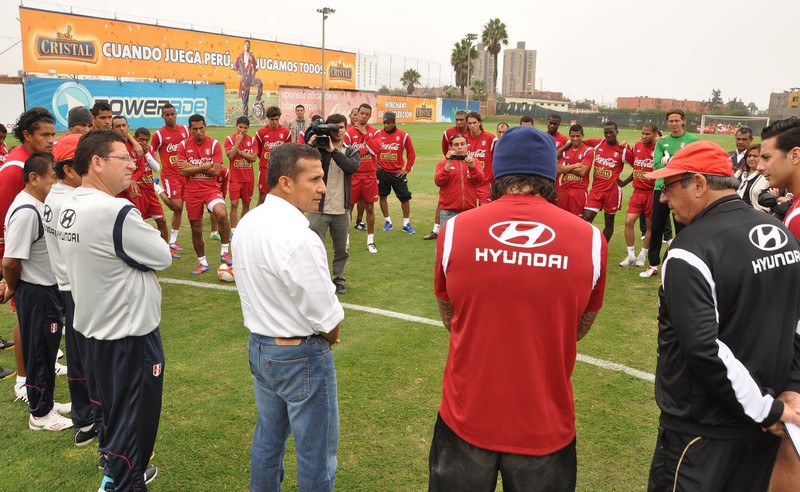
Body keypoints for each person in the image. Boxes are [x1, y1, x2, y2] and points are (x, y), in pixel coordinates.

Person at [429, 125, 607, 490]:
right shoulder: (590, 238)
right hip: (544, 424)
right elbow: (582, 323)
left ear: (496, 170)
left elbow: (450, 314)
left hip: (466, 416)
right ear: (550, 173)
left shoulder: (456, 230)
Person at [643, 140, 800, 491]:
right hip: (762, 430)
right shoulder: (782, 234)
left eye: (669, 187)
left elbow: (703, 346)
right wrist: (792, 387)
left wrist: (766, 409)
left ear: (699, 185)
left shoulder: (690, 248)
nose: (664, 198)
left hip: (703, 434)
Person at [60, 129, 169, 491]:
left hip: (95, 331)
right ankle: (122, 482)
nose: (133, 164)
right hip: (129, 336)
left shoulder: (69, 204)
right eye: (124, 158)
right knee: (133, 428)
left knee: (113, 416)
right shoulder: (115, 209)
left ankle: (114, 471)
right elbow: (162, 254)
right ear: (96, 162)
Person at [232, 143, 343, 492]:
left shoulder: (248, 222)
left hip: (261, 347)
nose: (322, 188)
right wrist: (330, 335)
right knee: (316, 453)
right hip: (299, 354)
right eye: (314, 179)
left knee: (269, 436)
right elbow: (327, 317)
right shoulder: (299, 237)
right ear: (285, 182)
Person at [2, 151, 71, 431]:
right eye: (53, 178)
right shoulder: (27, 211)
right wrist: (14, 287)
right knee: (40, 353)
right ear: (34, 178)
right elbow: (10, 260)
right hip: (37, 292)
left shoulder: (37, 204)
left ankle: (45, 401)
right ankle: (40, 415)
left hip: (44, 290)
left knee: (45, 349)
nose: (57, 183)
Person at [0, 107, 57, 403]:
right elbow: (7, 216)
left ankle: (41, 368)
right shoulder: (13, 169)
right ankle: (25, 381)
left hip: (30, 252)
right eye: (44, 135)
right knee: (27, 319)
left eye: (52, 134)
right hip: (19, 257)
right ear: (26, 135)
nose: (51, 140)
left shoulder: (37, 162)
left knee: (38, 322)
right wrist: (8, 273)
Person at [639, 109, 699, 277]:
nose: (673, 124)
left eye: (676, 120)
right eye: (670, 121)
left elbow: (693, 165)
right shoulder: (661, 142)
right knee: (656, 227)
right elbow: (657, 166)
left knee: (682, 228)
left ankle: (681, 264)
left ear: (683, 121)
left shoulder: (692, 140)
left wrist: (671, 162)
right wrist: (676, 164)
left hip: (682, 189)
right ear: (667, 122)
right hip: (661, 188)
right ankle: (653, 265)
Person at [307, 114, 360, 295]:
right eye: (335, 127)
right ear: (329, 128)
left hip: (341, 209)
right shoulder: (317, 149)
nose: (339, 130)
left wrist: (333, 150)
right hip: (318, 208)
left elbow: (351, 167)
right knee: (314, 249)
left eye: (342, 127)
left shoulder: (351, 151)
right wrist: (309, 146)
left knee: (341, 250)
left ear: (346, 129)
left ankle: (338, 281)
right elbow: (302, 165)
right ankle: (316, 282)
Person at [177, 114, 231, 274]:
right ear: (189, 129)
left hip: (210, 189)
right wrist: (205, 165)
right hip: (192, 192)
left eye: (201, 128)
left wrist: (192, 167)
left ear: (205, 126)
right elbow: (182, 171)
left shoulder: (214, 144)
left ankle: (224, 251)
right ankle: (202, 262)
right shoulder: (183, 145)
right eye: (195, 129)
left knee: (222, 213)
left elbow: (216, 170)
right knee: (196, 228)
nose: (199, 132)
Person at [112, 117, 171, 248]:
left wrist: (144, 153)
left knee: (161, 220)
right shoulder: (116, 147)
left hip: (149, 190)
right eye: (118, 126)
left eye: (124, 125)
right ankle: (138, 252)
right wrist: (130, 183)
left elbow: (147, 167)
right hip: (134, 191)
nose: (122, 128)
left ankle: (165, 249)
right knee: (137, 224)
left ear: (128, 127)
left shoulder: (140, 147)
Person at [583, 121, 634, 243]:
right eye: (606, 132)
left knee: (609, 221)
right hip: (596, 190)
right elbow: (579, 142)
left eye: (611, 132)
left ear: (617, 132)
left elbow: (638, 167)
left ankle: (602, 248)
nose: (608, 135)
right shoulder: (598, 143)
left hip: (612, 191)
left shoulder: (623, 150)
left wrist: (624, 182)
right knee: (585, 219)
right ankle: (585, 244)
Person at [149, 103, 189, 252]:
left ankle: (173, 241)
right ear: (163, 116)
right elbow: (151, 152)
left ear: (176, 114)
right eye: (167, 115)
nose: (170, 117)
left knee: (179, 210)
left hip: (184, 174)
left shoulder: (185, 130)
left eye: (172, 114)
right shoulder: (159, 135)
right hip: (169, 175)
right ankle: (157, 188)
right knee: (177, 206)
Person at [618, 123, 658, 267]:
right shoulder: (637, 146)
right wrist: (625, 146)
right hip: (638, 192)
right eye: (642, 133)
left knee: (649, 226)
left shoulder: (658, 148)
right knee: (629, 221)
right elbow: (635, 166)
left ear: (655, 134)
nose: (644, 136)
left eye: (647, 134)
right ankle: (630, 255)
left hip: (652, 193)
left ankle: (642, 256)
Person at [425, 111, 469, 240]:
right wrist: (449, 163)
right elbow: (445, 151)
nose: (459, 122)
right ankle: (436, 229)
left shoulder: (470, 132)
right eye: (457, 120)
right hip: (451, 167)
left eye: (462, 120)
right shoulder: (448, 132)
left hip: (467, 166)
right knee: (443, 200)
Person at [345, 103, 380, 253]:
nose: (364, 116)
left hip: (370, 176)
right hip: (353, 176)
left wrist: (365, 134)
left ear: (370, 116)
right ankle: (345, 240)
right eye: (362, 113)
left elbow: (376, 150)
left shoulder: (375, 132)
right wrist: (365, 149)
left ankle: (370, 241)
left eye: (367, 114)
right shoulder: (348, 133)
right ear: (357, 114)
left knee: (370, 207)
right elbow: (347, 154)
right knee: (348, 208)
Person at [376, 111, 417, 234]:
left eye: (388, 123)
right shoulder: (378, 134)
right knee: (382, 196)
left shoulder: (403, 136)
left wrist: (407, 169)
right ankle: (387, 221)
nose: (386, 125)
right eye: (384, 123)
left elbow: (411, 153)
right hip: (382, 172)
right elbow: (371, 150)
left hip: (398, 173)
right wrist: (375, 163)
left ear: (394, 123)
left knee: (404, 198)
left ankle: (406, 223)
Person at [433, 134, 484, 225]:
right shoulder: (443, 164)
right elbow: (438, 182)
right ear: (451, 147)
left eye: (462, 144)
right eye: (456, 145)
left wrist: (472, 168)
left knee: (468, 239)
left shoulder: (475, 162)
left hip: (469, 211)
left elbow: (480, 180)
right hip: (448, 212)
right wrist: (448, 165)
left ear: (467, 145)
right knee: (447, 239)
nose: (460, 147)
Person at [225, 116, 258, 234]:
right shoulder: (229, 139)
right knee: (234, 204)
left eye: (245, 128)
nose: (242, 130)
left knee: (246, 204)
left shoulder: (252, 140)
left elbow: (253, 158)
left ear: (248, 128)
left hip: (248, 178)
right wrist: (238, 142)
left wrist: (239, 152)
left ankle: (243, 230)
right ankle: (233, 231)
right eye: (240, 127)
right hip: (235, 178)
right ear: (236, 126)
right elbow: (230, 156)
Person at [255, 106, 292, 205]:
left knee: (282, 197)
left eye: (277, 119)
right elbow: (258, 151)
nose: (275, 122)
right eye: (272, 119)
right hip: (265, 169)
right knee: (262, 196)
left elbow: (288, 150)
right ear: (268, 118)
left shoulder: (286, 132)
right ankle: (259, 219)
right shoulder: (260, 132)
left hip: (280, 170)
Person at [556, 124, 593, 216]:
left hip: (579, 191)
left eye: (578, 136)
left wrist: (566, 167)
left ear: (582, 135)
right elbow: (558, 169)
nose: (575, 139)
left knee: (578, 220)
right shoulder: (565, 151)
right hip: (563, 190)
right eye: (572, 136)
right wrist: (575, 165)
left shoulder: (588, 151)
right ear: (569, 136)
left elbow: (582, 171)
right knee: (561, 218)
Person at [465, 111, 497, 205]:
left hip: (485, 183)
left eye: (474, 122)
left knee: (486, 212)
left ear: (480, 122)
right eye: (469, 123)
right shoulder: (463, 140)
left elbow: (497, 160)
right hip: (469, 183)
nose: (472, 125)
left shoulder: (490, 138)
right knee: (467, 212)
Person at [232, 40, 263, 119]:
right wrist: (239, 75)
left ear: (250, 46)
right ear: (244, 46)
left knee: (260, 82)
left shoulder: (251, 56)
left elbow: (256, 67)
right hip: (243, 80)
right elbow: (234, 67)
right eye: (246, 44)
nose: (247, 46)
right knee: (245, 99)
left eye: (248, 45)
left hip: (250, 78)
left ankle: (257, 100)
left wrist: (253, 74)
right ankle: (245, 115)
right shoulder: (240, 56)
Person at [736, 143, 769, 212]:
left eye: (755, 156)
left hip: (756, 214)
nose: (751, 159)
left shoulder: (767, 176)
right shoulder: (739, 173)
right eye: (749, 156)